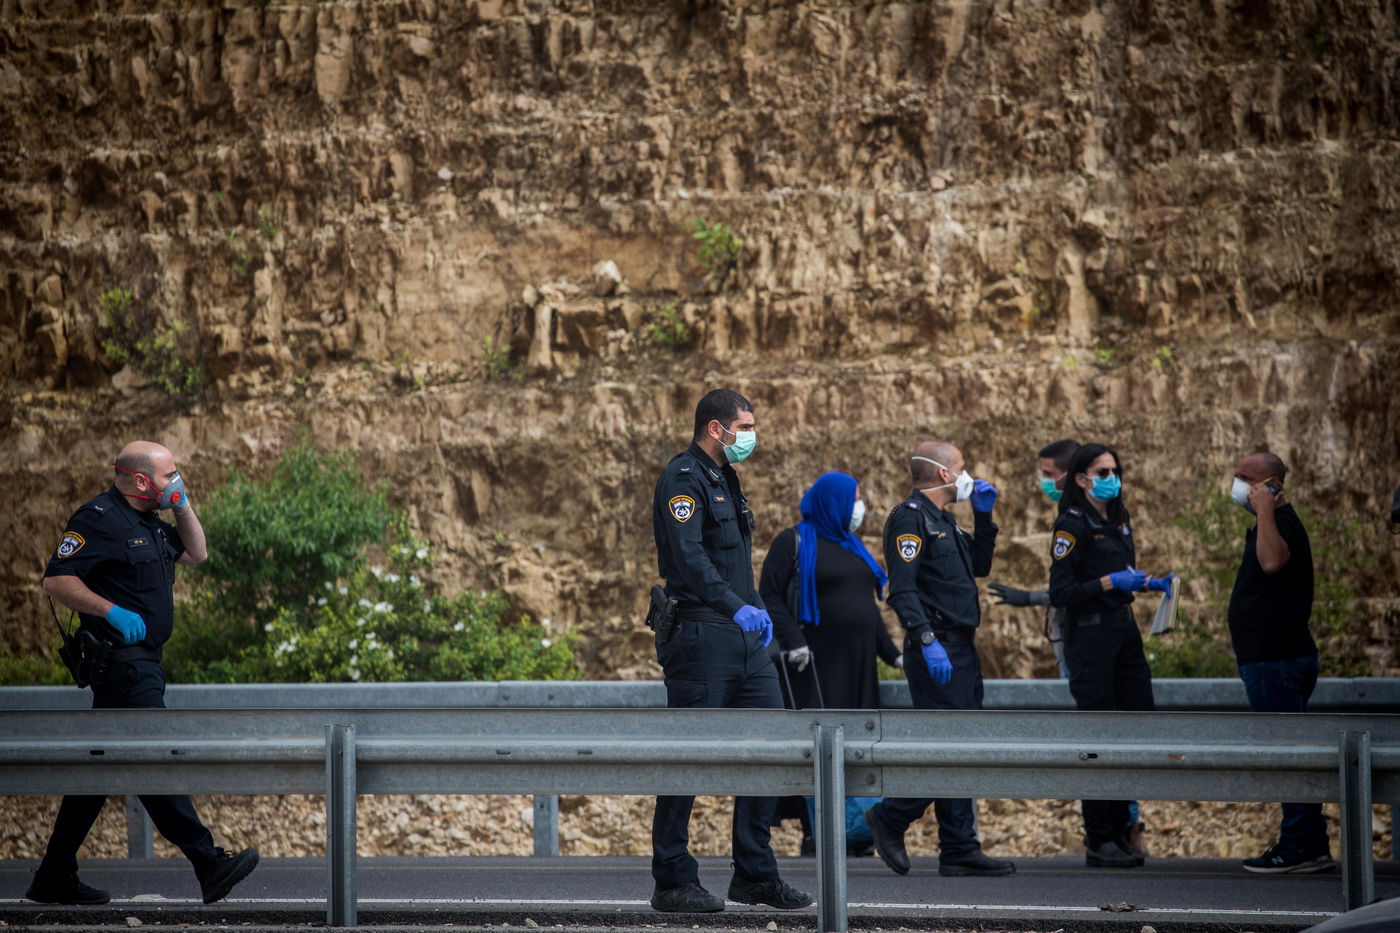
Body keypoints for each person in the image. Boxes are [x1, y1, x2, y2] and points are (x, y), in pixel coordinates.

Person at [29, 441, 259, 906]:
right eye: (168, 475)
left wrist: (182, 504)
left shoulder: (150, 524)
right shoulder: (98, 518)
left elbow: (197, 553)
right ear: (139, 481)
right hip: (122, 665)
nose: (175, 481)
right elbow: (57, 579)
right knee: (152, 758)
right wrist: (110, 610)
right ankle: (208, 863)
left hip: (145, 663)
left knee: (100, 771)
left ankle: (54, 873)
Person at [648, 389, 811, 914]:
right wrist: (732, 606)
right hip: (700, 636)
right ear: (716, 428)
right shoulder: (684, 478)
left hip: (743, 639)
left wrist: (756, 608)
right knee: (689, 759)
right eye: (745, 426)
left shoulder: (726, 479)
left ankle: (755, 874)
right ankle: (673, 879)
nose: (751, 435)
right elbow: (688, 556)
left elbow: (737, 561)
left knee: (770, 746)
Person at [861, 442, 1016, 878]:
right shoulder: (909, 519)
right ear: (944, 475)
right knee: (949, 749)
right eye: (963, 468)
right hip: (938, 648)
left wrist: (984, 517)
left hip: (962, 647)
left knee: (962, 749)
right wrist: (926, 639)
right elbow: (902, 589)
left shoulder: (943, 521)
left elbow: (980, 566)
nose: (969, 476)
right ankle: (891, 817)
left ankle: (959, 847)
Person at [1047, 442, 1175, 869]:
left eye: (1115, 470)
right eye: (1102, 472)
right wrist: (1108, 582)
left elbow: (1120, 579)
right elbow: (1061, 592)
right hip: (1090, 640)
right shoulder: (1071, 525)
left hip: (1123, 631)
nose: (1111, 479)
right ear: (1082, 479)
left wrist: (1148, 583)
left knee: (1135, 725)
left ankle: (1122, 826)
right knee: (1100, 734)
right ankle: (1100, 836)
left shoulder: (1119, 519)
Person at [1228, 452, 1333, 873]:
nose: (1237, 486)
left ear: (1271, 485)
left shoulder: (1281, 524)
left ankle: (1298, 846)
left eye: (1246, 479)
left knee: (1289, 755)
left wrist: (1267, 511)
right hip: (1273, 660)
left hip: (1277, 661)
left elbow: (1272, 562)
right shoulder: (1271, 524)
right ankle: (1310, 841)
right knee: (1292, 752)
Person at [760, 471, 900, 710]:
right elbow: (769, 597)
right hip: (814, 660)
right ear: (833, 501)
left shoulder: (853, 545)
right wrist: (795, 642)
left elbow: (866, 606)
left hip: (858, 661)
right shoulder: (792, 542)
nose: (860, 506)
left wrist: (893, 655)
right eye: (854, 499)